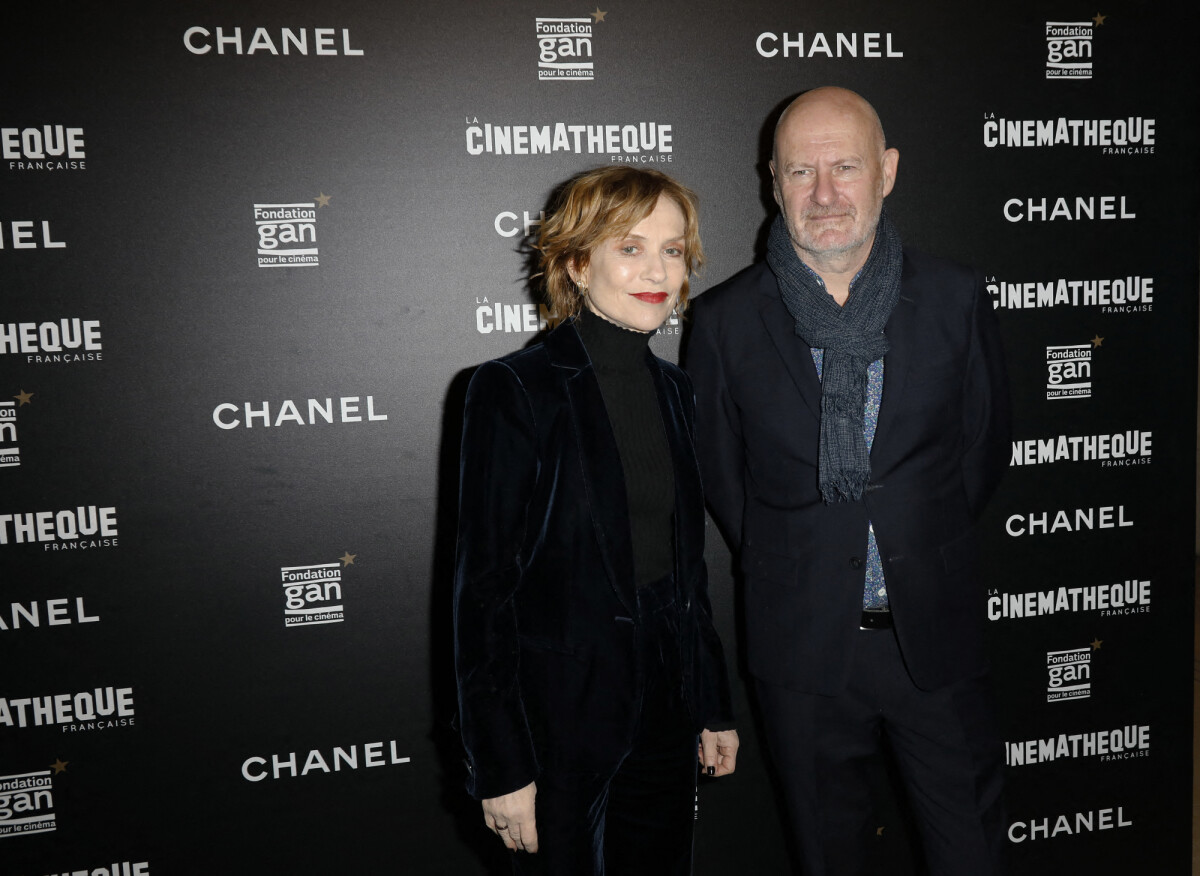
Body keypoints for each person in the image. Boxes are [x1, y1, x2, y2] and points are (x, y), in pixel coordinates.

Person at [685, 87, 1011, 875]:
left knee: (971, 852)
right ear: (773, 181)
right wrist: (810, 554)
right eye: (801, 172)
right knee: (829, 857)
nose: (824, 194)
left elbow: (981, 451)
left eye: (845, 167)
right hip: (803, 647)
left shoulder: (955, 298)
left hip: (931, 635)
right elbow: (725, 486)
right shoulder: (724, 321)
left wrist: (910, 544)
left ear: (887, 172)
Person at [454, 165, 739, 875]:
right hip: (559, 721)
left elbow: (684, 568)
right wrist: (502, 765)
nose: (657, 270)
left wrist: (710, 700)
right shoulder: (514, 390)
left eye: (672, 250)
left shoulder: (676, 391)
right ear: (577, 263)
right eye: (630, 247)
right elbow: (482, 593)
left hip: (667, 709)